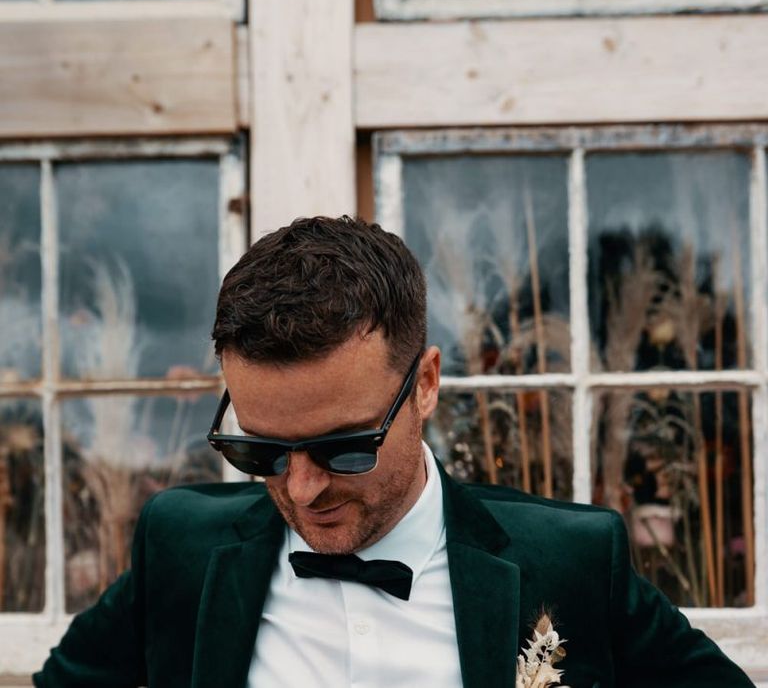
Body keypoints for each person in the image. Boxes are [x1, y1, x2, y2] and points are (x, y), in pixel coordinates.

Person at [35, 216, 754, 688]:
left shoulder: (571, 559)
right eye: (262, 452)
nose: (304, 488)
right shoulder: (182, 547)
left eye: (344, 447)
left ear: (427, 386)